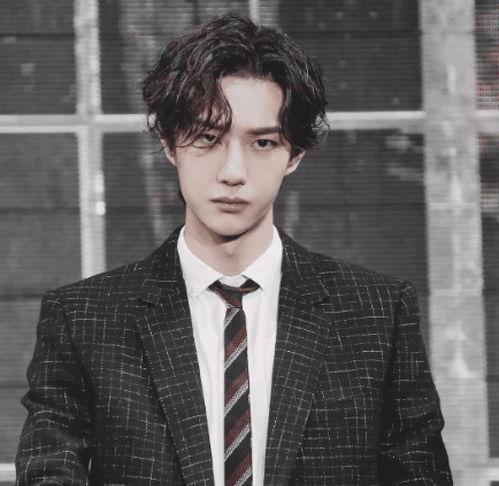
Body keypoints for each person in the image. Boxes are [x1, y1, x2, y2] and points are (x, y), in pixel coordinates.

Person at [16, 13, 452, 486]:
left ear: (294, 155)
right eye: (208, 138)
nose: (233, 172)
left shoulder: (377, 314)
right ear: (169, 144)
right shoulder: (83, 319)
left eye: (262, 142)